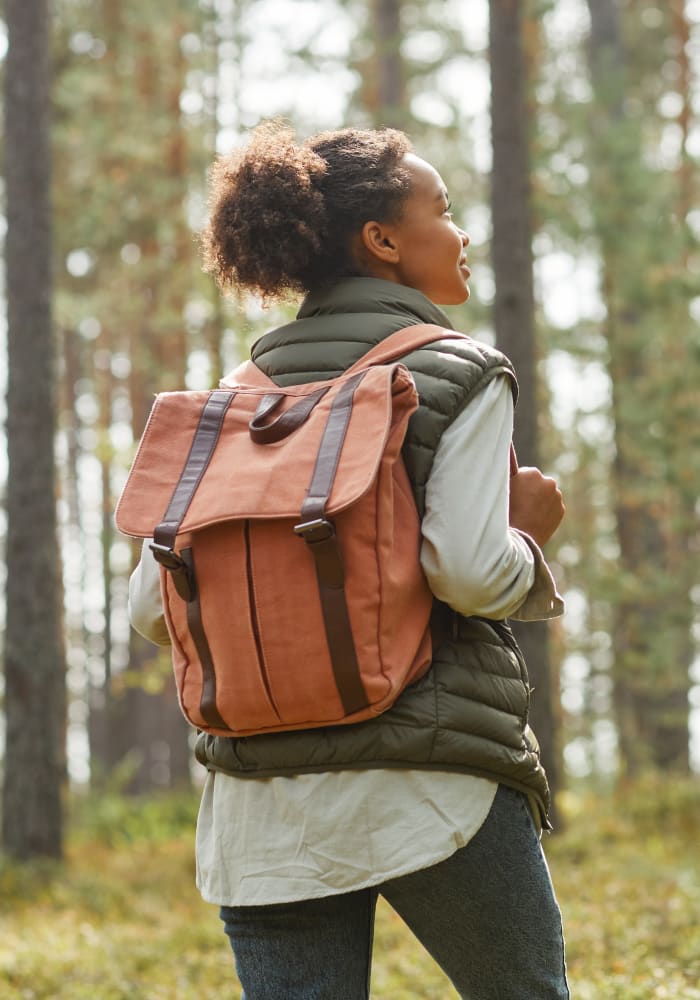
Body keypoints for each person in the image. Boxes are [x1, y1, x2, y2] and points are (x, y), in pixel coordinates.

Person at [128, 122, 569, 999]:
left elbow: (152, 608)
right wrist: (529, 535)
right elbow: (472, 575)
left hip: (263, 811)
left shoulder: (230, 405)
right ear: (383, 241)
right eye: (442, 210)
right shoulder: (457, 371)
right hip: (430, 783)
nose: (461, 231)